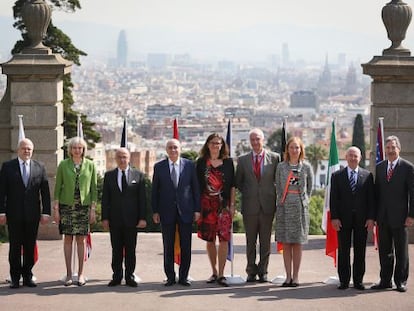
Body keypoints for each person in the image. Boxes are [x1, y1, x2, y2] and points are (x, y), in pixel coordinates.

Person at [0, 138, 51, 289]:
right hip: (13, 214)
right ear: (18, 150)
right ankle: (15, 278)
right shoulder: (8, 167)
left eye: (29, 149)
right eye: (24, 148)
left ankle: (28, 276)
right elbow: (1, 192)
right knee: (15, 247)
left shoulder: (39, 167)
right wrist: (1, 212)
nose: (26, 151)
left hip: (32, 215)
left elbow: (45, 192)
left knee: (30, 246)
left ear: (32, 151)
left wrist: (46, 212)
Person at [151, 139, 200, 287]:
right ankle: (170, 277)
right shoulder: (159, 167)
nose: (173, 150)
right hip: (166, 211)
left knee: (186, 246)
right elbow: (155, 191)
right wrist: (155, 211)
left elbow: (195, 189)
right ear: (166, 150)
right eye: (170, 148)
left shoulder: (190, 166)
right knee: (168, 246)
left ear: (180, 149)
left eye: (175, 147)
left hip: (186, 211)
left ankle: (184, 276)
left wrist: (197, 209)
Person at [235, 128, 280, 282]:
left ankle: (263, 271)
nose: (255, 142)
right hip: (250, 206)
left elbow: (278, 180)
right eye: (252, 139)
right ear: (250, 141)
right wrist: (250, 193)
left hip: (267, 206)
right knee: (250, 241)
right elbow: (238, 182)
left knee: (265, 241)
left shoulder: (275, 158)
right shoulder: (242, 160)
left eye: (258, 139)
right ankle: (251, 271)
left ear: (263, 140)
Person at [371, 135, 414, 293]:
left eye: (393, 148)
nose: (390, 150)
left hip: (401, 217)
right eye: (388, 148)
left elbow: (413, 193)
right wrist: (374, 215)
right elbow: (377, 193)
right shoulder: (380, 167)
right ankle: (385, 280)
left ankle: (400, 281)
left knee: (401, 251)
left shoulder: (408, 167)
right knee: (385, 251)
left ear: (399, 149)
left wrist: (411, 215)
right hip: (382, 217)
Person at [53, 137, 97, 286]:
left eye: (80, 148)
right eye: (74, 148)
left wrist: (93, 209)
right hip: (67, 207)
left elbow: (94, 189)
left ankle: (81, 274)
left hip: (83, 207)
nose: (77, 150)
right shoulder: (63, 165)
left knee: (81, 240)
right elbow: (57, 187)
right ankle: (68, 274)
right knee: (68, 239)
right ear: (70, 150)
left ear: (83, 150)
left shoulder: (90, 165)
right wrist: (56, 209)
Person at [330, 146, 375, 290]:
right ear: (346, 157)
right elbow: (334, 199)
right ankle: (344, 280)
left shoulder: (367, 176)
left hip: (362, 220)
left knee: (360, 251)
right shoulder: (337, 176)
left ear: (360, 158)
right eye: (350, 155)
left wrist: (370, 218)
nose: (353, 158)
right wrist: (335, 218)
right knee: (343, 251)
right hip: (343, 220)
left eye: (356, 156)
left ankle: (358, 280)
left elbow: (371, 200)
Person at [102, 147, 147, 287]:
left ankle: (129, 276)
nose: (122, 159)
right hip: (115, 220)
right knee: (116, 250)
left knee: (130, 250)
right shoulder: (109, 176)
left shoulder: (138, 175)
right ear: (115, 159)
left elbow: (142, 199)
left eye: (125, 157)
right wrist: (105, 218)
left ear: (129, 159)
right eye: (119, 157)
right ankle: (116, 276)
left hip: (132, 220)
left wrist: (142, 218)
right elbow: (105, 199)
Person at [196, 133, 236, 287]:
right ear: (207, 145)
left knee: (224, 239)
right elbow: (197, 187)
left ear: (222, 145)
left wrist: (232, 205)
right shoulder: (200, 163)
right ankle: (213, 271)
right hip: (206, 206)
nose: (215, 146)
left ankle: (221, 274)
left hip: (223, 206)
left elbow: (232, 185)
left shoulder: (228, 163)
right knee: (210, 239)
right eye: (213, 143)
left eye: (218, 143)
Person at [275, 136, 313, 287]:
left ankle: (296, 277)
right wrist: (281, 201)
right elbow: (278, 185)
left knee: (297, 243)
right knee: (286, 243)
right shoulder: (281, 167)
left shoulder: (306, 167)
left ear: (301, 149)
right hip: (284, 207)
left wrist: (305, 201)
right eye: (292, 147)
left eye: (297, 147)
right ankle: (288, 276)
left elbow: (310, 187)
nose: (294, 150)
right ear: (287, 149)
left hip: (299, 208)